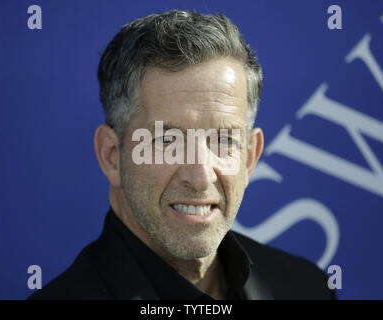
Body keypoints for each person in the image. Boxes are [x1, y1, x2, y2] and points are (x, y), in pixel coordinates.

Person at [28, 10, 336, 300]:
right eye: (168, 140)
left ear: (249, 157)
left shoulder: (307, 288)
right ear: (112, 156)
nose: (200, 177)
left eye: (223, 139)